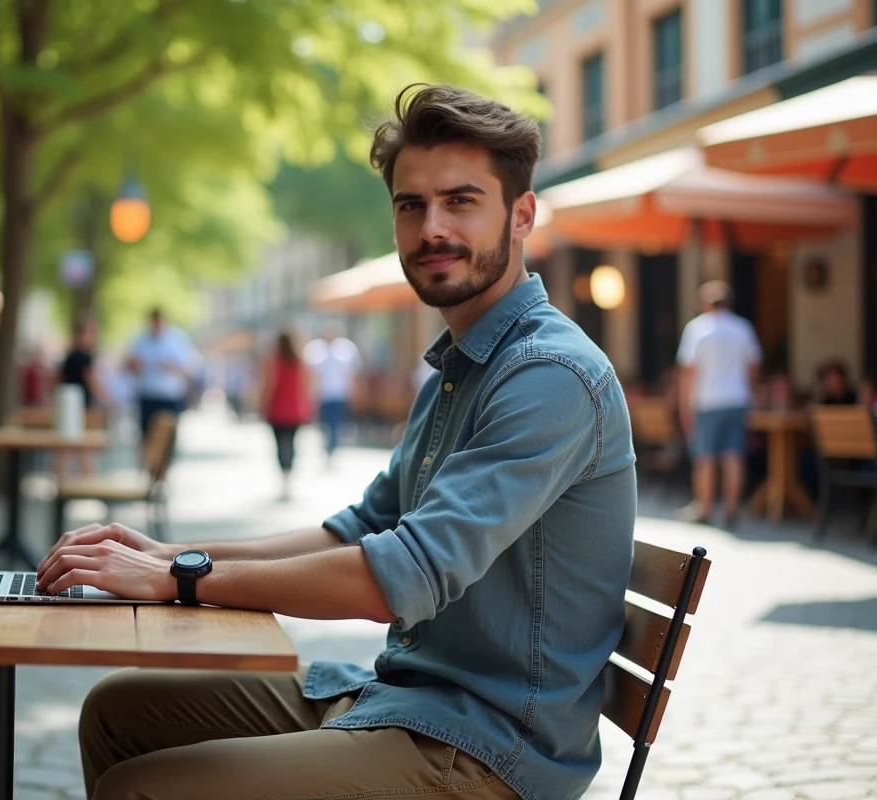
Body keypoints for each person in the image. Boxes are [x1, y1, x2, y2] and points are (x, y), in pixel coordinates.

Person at [37, 84, 636, 800]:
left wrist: (184, 581)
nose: (431, 228)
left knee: (146, 787)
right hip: (400, 705)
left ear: (522, 214)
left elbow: (404, 574)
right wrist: (173, 556)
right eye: (411, 205)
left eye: (461, 201)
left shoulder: (548, 375)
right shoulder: (461, 364)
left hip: (487, 752)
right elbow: (358, 530)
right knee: (119, 711)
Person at [677, 280, 762, 527]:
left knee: (705, 457)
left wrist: (685, 404)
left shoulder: (697, 328)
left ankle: (704, 509)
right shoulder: (743, 328)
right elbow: (753, 367)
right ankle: (731, 508)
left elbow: (689, 371)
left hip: (707, 401)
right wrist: (750, 392)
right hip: (737, 398)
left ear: (705, 303)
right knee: (733, 455)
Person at [125, 308, 199, 443]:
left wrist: (172, 367)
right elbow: (128, 366)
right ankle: (149, 463)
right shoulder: (140, 340)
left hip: (169, 396)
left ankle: (164, 464)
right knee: (148, 435)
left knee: (167, 438)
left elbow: (190, 367)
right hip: (147, 394)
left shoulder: (177, 339)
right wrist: (135, 365)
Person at [259, 331, 314, 501]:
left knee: (279, 444)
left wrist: (263, 404)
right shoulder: (299, 360)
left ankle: (284, 477)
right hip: (295, 410)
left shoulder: (273, 360)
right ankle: (289, 476)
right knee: (291, 443)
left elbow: (269, 384)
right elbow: (308, 383)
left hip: (277, 409)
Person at [303, 321, 361, 464]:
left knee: (336, 422)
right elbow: (311, 374)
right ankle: (327, 445)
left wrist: (354, 389)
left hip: (340, 393)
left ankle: (332, 447)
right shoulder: (316, 349)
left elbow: (352, 372)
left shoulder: (346, 348)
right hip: (323, 394)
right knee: (324, 422)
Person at [59, 319, 112, 473]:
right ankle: (86, 480)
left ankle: (61, 482)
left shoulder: (70, 355)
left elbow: (59, 379)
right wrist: (107, 399)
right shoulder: (84, 356)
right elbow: (91, 380)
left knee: (64, 446)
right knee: (86, 446)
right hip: (81, 406)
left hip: (67, 403)